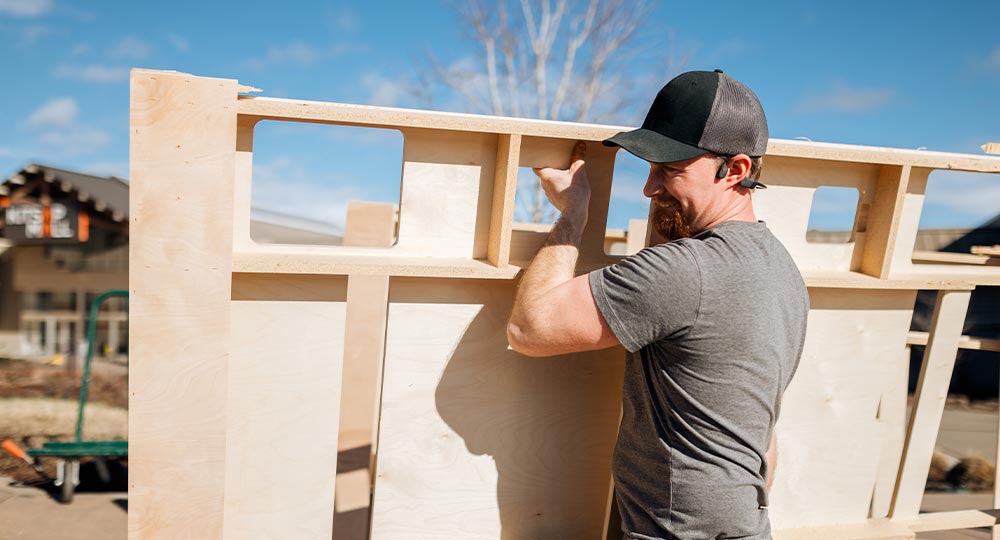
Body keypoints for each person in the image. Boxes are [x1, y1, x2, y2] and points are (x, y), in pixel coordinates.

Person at [506, 69, 809, 539]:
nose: (650, 187)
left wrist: (572, 216)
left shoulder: (686, 269)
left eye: (670, 169)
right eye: (650, 168)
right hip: (747, 523)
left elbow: (529, 329)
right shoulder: (782, 271)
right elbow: (761, 432)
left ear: (736, 170)